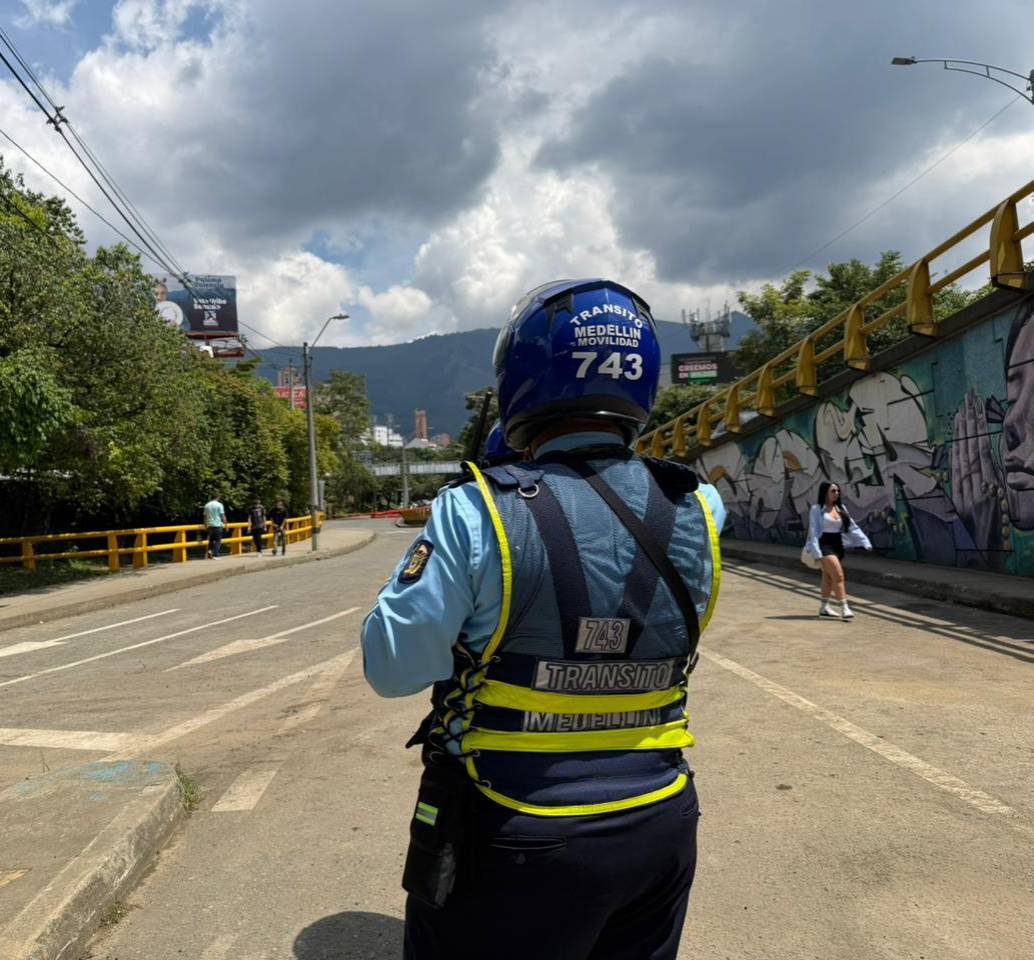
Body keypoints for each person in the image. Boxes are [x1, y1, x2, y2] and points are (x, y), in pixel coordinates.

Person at [362, 278, 725, 960]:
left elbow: (391, 667)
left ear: (522, 374)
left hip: (516, 824)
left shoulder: (477, 510)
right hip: (660, 819)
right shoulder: (700, 507)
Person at [804, 481, 871, 619]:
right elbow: (814, 531)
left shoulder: (841, 508)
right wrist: (817, 553)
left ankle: (824, 607)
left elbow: (852, 527)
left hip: (838, 545)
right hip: (824, 545)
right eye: (833, 491)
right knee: (838, 575)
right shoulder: (817, 509)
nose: (836, 494)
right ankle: (844, 607)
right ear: (825, 493)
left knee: (828, 577)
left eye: (837, 491)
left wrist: (865, 542)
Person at [203, 493, 226, 559]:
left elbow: (205, 516)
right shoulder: (219, 505)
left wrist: (205, 525)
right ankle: (216, 555)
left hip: (210, 525)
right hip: (218, 524)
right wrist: (225, 524)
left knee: (211, 540)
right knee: (218, 540)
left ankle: (210, 551)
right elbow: (222, 515)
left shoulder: (207, 505)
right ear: (218, 497)